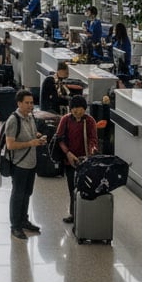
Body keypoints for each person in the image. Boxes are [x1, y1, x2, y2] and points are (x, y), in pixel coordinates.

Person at [3, 89, 47, 241]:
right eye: (27, 103)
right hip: (19, 164)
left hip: (31, 163)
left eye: (32, 103)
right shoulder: (13, 120)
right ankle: (15, 225)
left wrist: (38, 137)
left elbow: (32, 133)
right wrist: (30, 143)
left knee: (27, 193)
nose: (30, 105)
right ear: (19, 103)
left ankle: (24, 220)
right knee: (18, 194)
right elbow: (10, 145)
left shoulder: (30, 117)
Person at [54, 95, 99, 223]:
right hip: (70, 161)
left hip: (85, 161)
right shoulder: (66, 120)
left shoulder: (90, 121)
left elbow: (93, 140)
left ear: (84, 109)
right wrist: (67, 153)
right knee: (72, 187)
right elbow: (59, 138)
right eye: (73, 108)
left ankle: (84, 214)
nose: (76, 111)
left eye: (79, 108)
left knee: (85, 188)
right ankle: (74, 214)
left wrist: (91, 152)